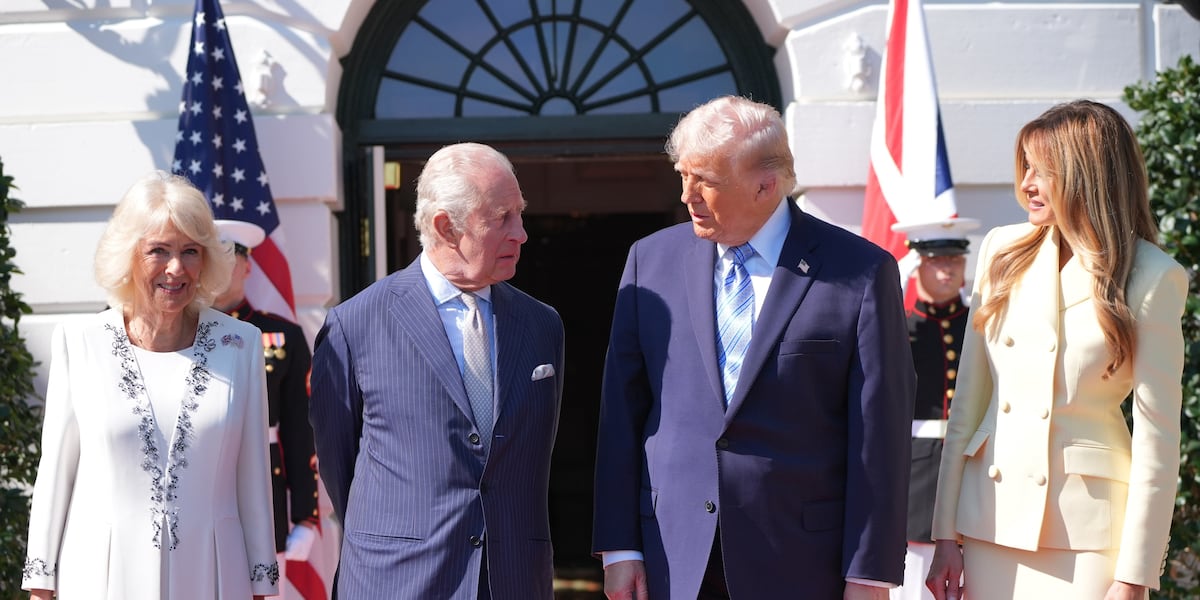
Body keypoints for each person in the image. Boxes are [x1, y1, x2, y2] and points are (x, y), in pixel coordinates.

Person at [592, 95, 916, 599]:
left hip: (801, 562)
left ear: (766, 185)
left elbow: (880, 434)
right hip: (672, 558)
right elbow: (622, 413)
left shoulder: (859, 271)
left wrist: (868, 574)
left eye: (706, 181)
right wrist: (620, 548)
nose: (687, 195)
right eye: (683, 175)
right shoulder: (649, 261)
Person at [925, 100, 1187, 600]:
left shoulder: (1153, 276)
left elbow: (1158, 439)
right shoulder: (1001, 251)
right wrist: (944, 535)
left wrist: (1135, 574)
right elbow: (968, 407)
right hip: (988, 520)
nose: (1026, 183)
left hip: (1089, 536)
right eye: (1025, 167)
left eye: (1042, 171)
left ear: (1087, 175)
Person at [309, 142, 565, 599]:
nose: (522, 233)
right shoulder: (355, 325)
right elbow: (338, 465)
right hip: (397, 582)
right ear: (447, 227)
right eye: (502, 217)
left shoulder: (542, 325)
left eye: (520, 214)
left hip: (512, 580)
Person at [22, 171, 278, 599]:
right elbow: (55, 475)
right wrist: (40, 586)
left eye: (190, 251)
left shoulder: (241, 344)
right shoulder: (79, 342)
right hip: (99, 578)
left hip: (214, 577)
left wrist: (261, 583)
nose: (176, 268)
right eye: (158, 250)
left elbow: (253, 478)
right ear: (128, 255)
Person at [213, 219, 320, 598]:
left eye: (230, 258)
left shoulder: (282, 336)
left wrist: (305, 515)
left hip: (264, 493)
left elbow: (300, 429)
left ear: (247, 266)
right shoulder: (180, 334)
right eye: (211, 259)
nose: (220, 269)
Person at [887, 217, 979, 600]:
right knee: (916, 582)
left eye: (954, 260)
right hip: (918, 473)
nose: (947, 269)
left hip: (974, 467)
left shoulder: (980, 326)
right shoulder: (900, 328)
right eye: (936, 260)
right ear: (918, 264)